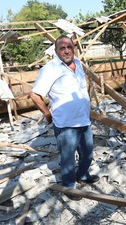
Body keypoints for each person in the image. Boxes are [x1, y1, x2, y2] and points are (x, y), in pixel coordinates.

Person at [29, 35, 99, 195]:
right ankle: (69, 187)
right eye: (62, 48)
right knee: (68, 158)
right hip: (66, 124)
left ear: (74, 48)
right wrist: (47, 114)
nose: (67, 50)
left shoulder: (78, 63)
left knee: (87, 152)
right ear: (56, 51)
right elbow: (34, 95)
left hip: (84, 120)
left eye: (69, 47)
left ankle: (82, 175)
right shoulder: (50, 69)